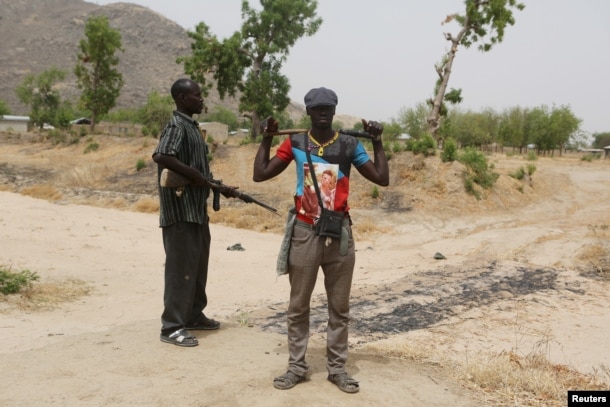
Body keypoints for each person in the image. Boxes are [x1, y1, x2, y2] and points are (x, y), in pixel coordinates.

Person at [253, 87, 389, 393]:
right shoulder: (296, 142)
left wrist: (378, 142)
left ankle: (337, 369)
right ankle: (296, 367)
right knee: (298, 305)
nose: (323, 112)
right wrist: (266, 138)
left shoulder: (350, 145)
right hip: (305, 229)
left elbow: (382, 178)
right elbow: (260, 174)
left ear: (335, 109)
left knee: (339, 307)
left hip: (339, 231)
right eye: (317, 108)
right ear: (308, 112)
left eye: (328, 107)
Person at [152, 78, 237, 347]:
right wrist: (194, 174)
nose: (201, 99)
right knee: (180, 269)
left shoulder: (192, 127)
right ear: (181, 98)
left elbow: (200, 175)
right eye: (196, 96)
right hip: (180, 212)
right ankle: (172, 326)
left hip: (196, 212)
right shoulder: (176, 126)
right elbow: (162, 156)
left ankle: (193, 314)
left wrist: (219, 187)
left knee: (197, 266)